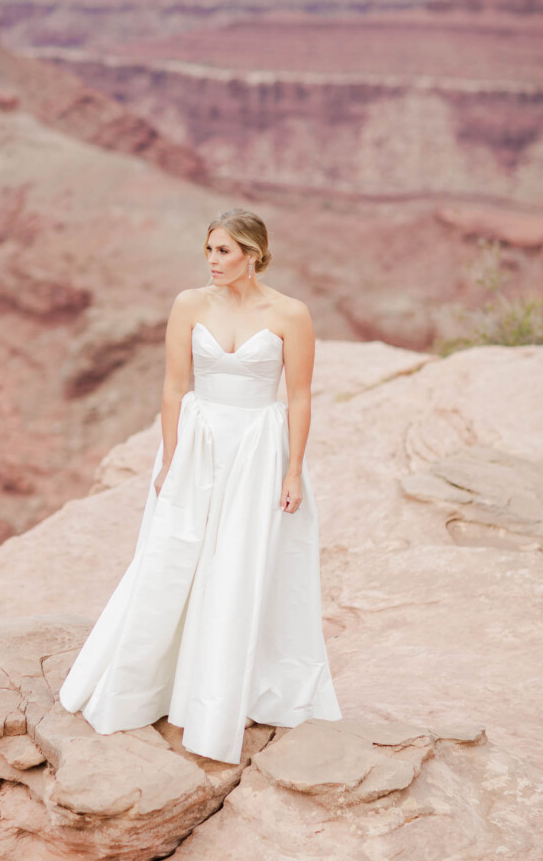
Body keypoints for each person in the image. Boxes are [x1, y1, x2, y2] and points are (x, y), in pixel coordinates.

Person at [59, 206, 342, 764]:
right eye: (209, 249)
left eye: (224, 251)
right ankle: (152, 685)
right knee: (172, 560)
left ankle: (229, 692)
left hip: (259, 451)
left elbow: (299, 397)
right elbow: (173, 386)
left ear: (252, 255)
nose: (212, 260)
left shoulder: (290, 314)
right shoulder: (190, 304)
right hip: (200, 445)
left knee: (241, 566)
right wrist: (170, 459)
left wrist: (293, 470)